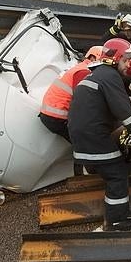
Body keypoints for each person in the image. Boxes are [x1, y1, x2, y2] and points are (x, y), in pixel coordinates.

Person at [68, 38, 131, 231]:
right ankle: (116, 222)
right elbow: (127, 115)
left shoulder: (94, 75)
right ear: (116, 59)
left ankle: (93, 171)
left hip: (80, 136)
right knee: (118, 175)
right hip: (95, 136)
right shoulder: (110, 77)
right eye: (126, 60)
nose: (129, 65)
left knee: (106, 165)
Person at [39, 45, 102, 175]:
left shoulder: (80, 68)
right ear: (94, 58)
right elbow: (82, 100)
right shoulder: (84, 72)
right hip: (57, 117)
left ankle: (82, 172)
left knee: (81, 141)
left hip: (52, 115)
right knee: (83, 142)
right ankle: (86, 174)